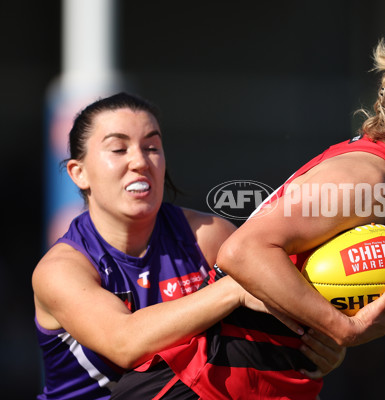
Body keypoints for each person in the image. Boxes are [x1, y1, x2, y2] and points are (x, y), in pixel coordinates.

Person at [110, 15, 385, 400]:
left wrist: (325, 339)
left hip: (256, 382)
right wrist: (342, 328)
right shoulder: (366, 179)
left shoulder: (383, 186)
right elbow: (242, 252)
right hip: (201, 381)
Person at [32, 92, 345, 400]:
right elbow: (124, 343)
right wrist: (234, 289)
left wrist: (320, 351)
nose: (140, 161)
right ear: (79, 173)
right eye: (118, 149)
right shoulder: (61, 270)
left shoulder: (207, 237)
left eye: (152, 147)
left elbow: (273, 335)